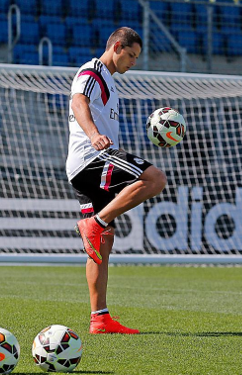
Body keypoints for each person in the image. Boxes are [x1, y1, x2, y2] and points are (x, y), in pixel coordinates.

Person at [67, 27, 167, 334]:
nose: (133, 63)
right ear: (117, 46)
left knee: (101, 244)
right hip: (92, 158)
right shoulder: (93, 70)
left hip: (84, 165)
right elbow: (78, 102)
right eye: (132, 55)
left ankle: (99, 318)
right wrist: (95, 135)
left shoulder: (109, 81)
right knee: (155, 179)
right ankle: (96, 222)